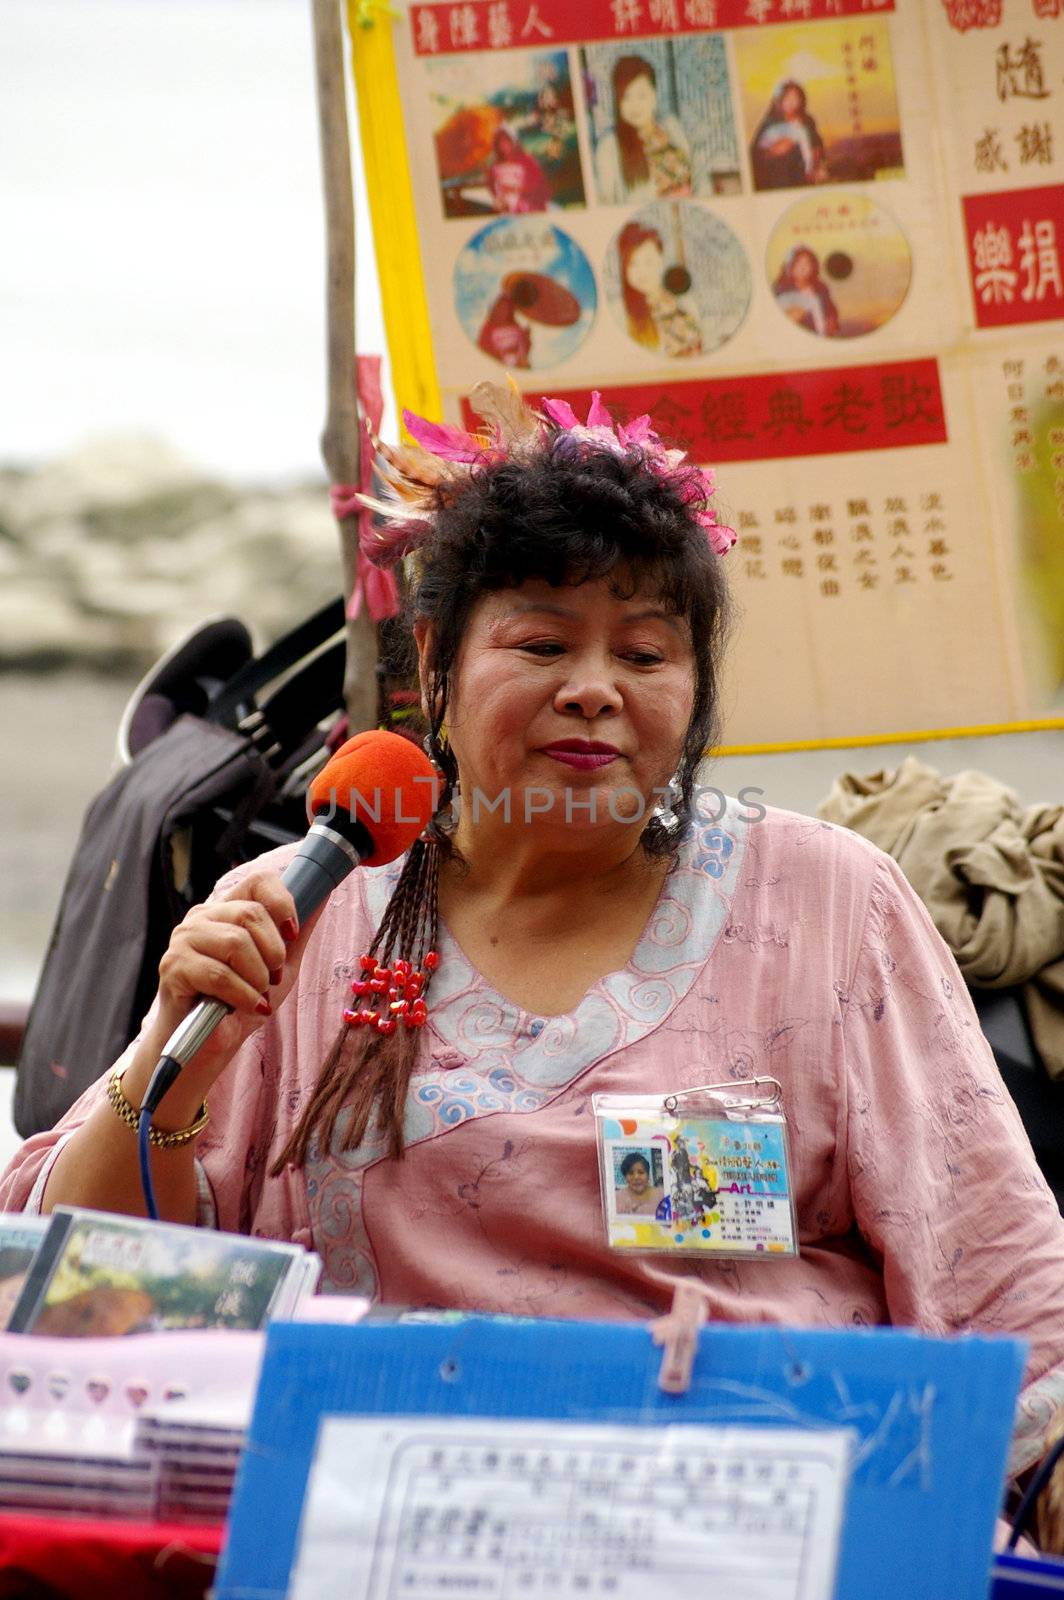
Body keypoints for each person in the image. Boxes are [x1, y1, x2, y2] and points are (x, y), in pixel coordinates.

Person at [3, 384, 1064, 1497]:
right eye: (542, 642)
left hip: (753, 1517)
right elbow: (84, 1294)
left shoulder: (825, 903)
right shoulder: (301, 908)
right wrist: (175, 1056)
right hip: (376, 1515)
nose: (595, 691)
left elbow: (995, 1268)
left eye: (646, 656)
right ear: (434, 669)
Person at [594, 55, 692, 206]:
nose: (634, 105)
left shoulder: (672, 126)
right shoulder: (608, 146)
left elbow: (696, 175)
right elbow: (605, 202)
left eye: (641, 95)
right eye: (626, 97)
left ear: (654, 95)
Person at [617, 221, 703, 358]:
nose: (641, 271)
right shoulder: (621, 312)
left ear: (660, 260)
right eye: (633, 264)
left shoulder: (685, 304)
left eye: (648, 262)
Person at [750, 80, 826, 191]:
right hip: (778, 180)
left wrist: (816, 164)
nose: (791, 102)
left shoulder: (807, 120)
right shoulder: (769, 122)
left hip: (803, 177)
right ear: (779, 100)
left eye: (795, 98)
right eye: (787, 98)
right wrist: (775, 151)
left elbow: (817, 144)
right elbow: (755, 154)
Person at [772, 245, 839, 337]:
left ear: (813, 266)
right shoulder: (779, 289)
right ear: (789, 266)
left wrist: (832, 322)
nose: (803, 268)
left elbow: (831, 310)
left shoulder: (821, 287)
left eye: (807, 263)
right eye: (798, 263)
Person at [487, 125, 550, 215]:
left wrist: (514, 189)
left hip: (529, 208)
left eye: (507, 141)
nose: (504, 145)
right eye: (500, 142)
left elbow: (538, 185)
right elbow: (493, 187)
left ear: (514, 141)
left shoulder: (527, 161)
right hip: (506, 209)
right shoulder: (495, 166)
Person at [615, 1152, 664, 1216]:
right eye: (630, 1173)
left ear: (648, 1175)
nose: (636, 1177)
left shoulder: (662, 1195)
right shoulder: (617, 1198)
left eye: (641, 1172)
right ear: (625, 1177)